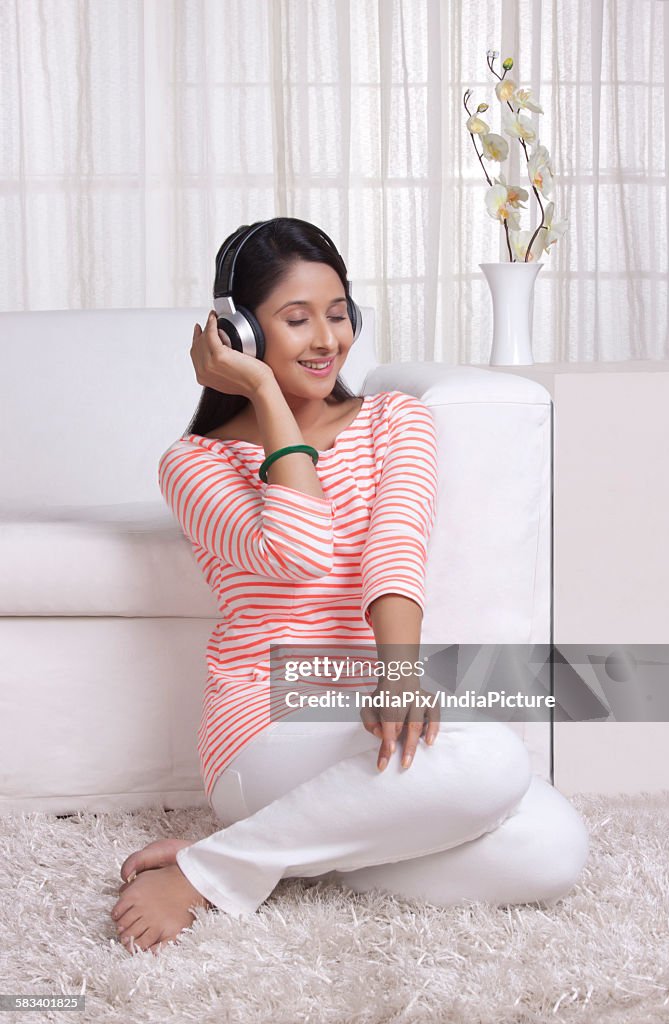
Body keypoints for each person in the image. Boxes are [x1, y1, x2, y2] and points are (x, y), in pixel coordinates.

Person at [110, 217, 589, 956]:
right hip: (261, 724)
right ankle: (214, 871)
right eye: (295, 320)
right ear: (239, 335)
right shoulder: (194, 463)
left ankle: (281, 855)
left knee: (554, 848)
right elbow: (300, 552)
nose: (327, 339)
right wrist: (268, 399)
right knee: (491, 762)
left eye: (338, 314)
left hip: (363, 708)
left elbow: (395, 549)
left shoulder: (399, 420)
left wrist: (399, 675)